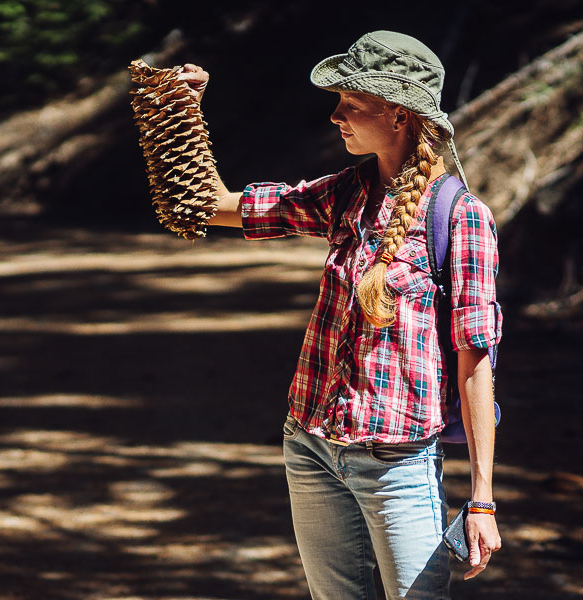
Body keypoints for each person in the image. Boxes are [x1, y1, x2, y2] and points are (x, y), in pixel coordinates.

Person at [178, 30, 502, 599]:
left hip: (398, 463)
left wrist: (481, 500)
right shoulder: (343, 194)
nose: (335, 116)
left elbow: (475, 362)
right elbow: (214, 205)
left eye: (351, 104)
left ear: (399, 115)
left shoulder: (461, 218)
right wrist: (182, 114)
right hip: (309, 446)